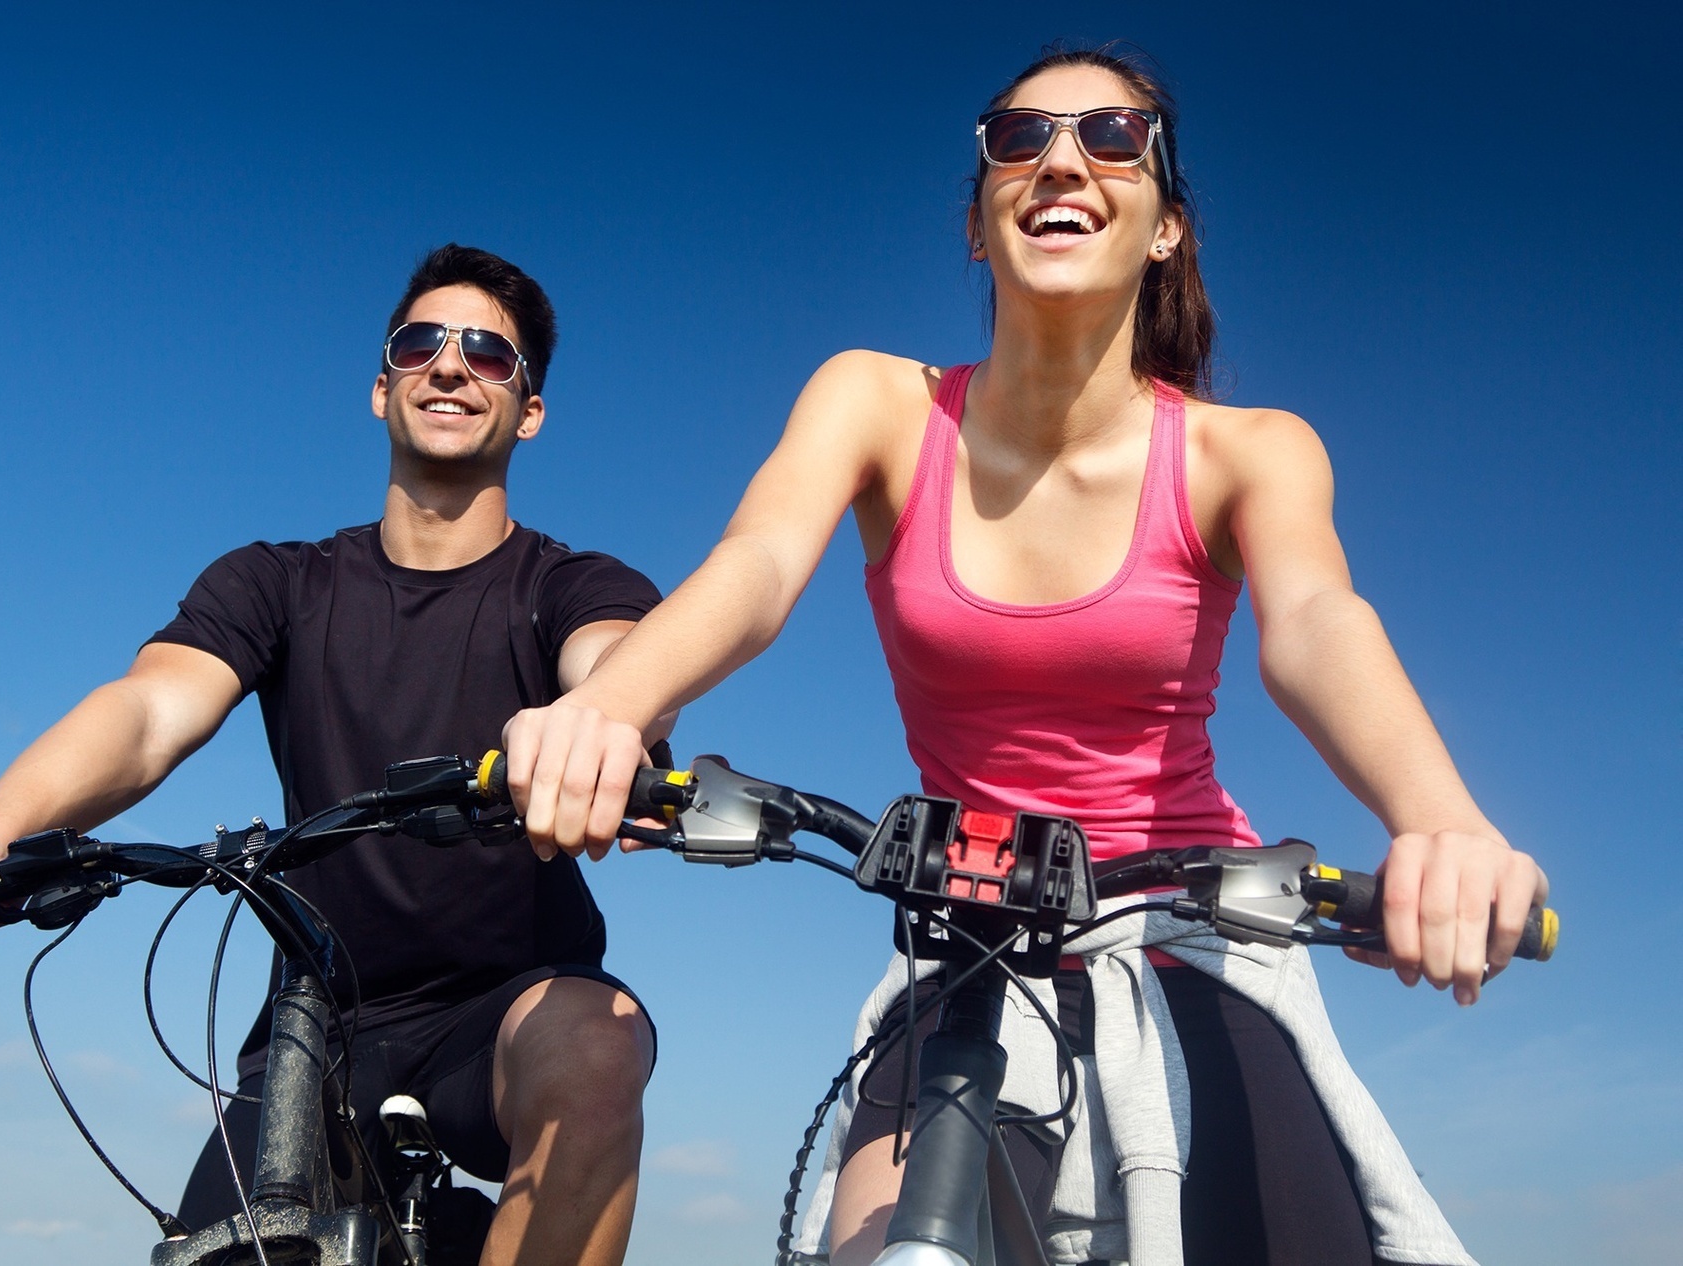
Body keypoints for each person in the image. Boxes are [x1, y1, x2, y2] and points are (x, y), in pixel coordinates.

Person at [501, 44, 1547, 1266]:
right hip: (968, 926)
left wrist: (1442, 821)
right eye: (1019, 136)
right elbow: (757, 565)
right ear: (978, 221)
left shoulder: (1249, 449)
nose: (1062, 157)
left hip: (1190, 920)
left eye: (1113, 138)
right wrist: (613, 707)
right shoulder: (876, 401)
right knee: (873, 1246)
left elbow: (1315, 624)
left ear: (1165, 227)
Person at [0, 244, 669, 1266]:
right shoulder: (278, 582)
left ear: (530, 411)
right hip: (318, 1018)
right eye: (420, 343)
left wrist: (605, 722)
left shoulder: (570, 584)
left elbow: (617, 672)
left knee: (598, 1046)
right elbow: (151, 711)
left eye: (490, 355)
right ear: (382, 388)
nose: (451, 366)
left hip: (510, 1010)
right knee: (220, 1250)